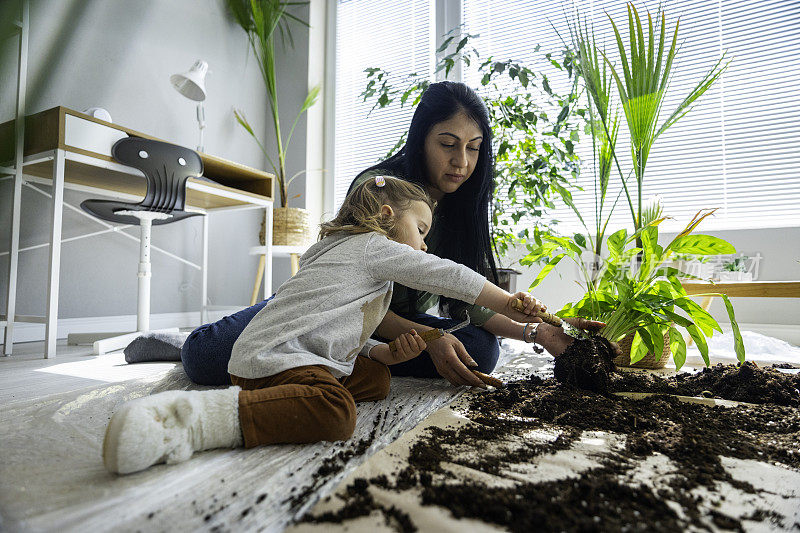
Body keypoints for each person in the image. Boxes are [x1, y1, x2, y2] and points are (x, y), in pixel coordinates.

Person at [102, 177, 566, 475]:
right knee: (335, 412)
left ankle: (279, 387)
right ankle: (196, 420)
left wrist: (385, 354)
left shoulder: (337, 253)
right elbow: (447, 274)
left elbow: (341, 330)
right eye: (421, 230)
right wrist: (509, 301)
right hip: (277, 357)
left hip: (295, 347)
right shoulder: (371, 247)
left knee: (378, 379)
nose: (423, 246)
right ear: (387, 217)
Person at [179, 80, 564, 390]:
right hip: (327, 302)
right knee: (204, 358)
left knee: (481, 348)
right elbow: (361, 298)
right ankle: (192, 337)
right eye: (448, 144)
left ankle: (336, 360)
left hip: (375, 319)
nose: (461, 162)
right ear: (422, 138)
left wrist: (536, 330)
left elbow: (472, 305)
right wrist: (428, 339)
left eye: (473, 149)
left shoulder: (462, 204)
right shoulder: (380, 190)